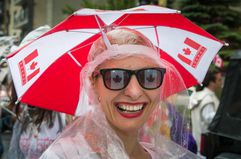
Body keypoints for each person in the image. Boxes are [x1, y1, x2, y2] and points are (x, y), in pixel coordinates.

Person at [40, 28, 200, 159]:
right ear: (94, 83)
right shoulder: (64, 156)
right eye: (116, 77)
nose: (134, 92)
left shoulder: (168, 156)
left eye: (149, 76)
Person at [189, 69, 223, 153]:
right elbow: (210, 120)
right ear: (211, 82)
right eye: (219, 80)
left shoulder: (198, 95)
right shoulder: (207, 99)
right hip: (205, 144)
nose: (221, 82)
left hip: (198, 140)